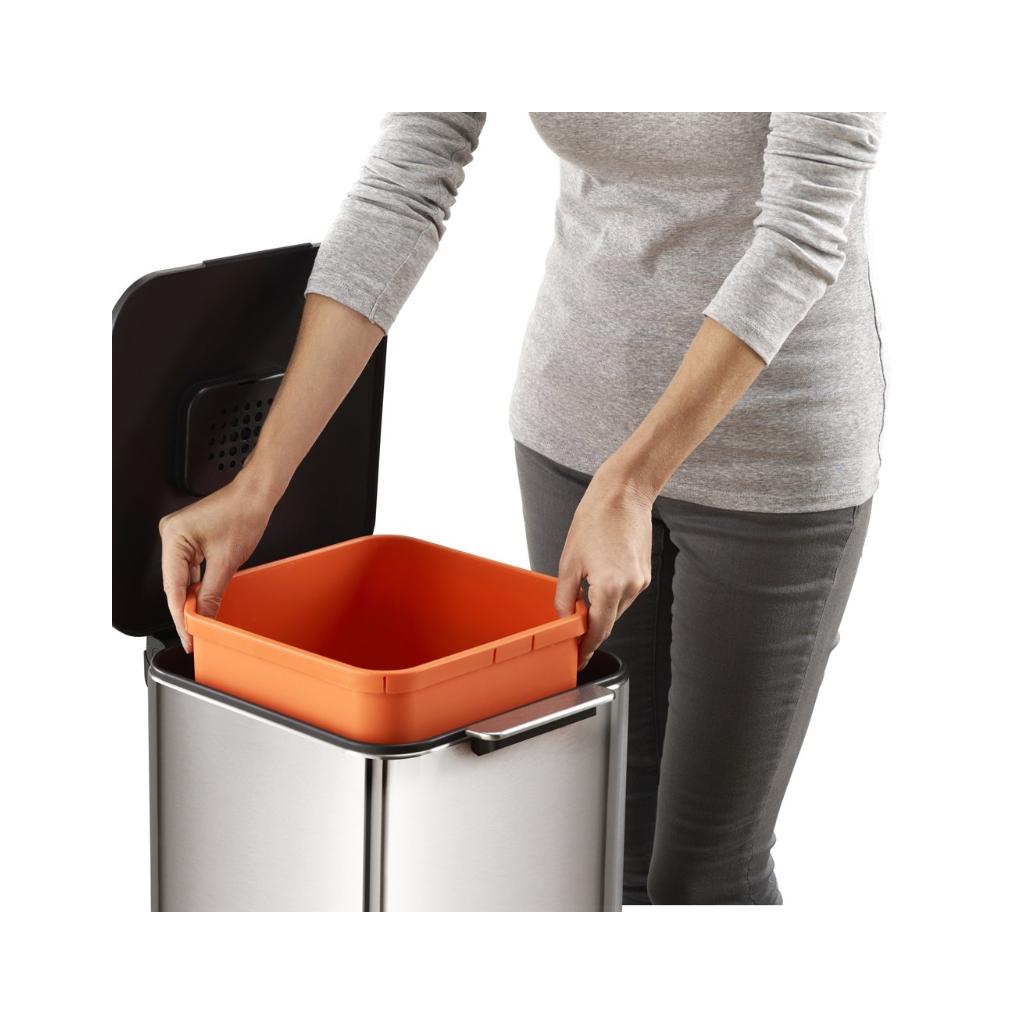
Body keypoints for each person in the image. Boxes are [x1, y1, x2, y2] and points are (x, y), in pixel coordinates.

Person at [159, 113, 885, 905]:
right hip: (575, 433)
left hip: (772, 461)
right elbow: (406, 182)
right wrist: (258, 484)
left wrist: (631, 482)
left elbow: (802, 231)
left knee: (706, 876)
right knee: (605, 844)